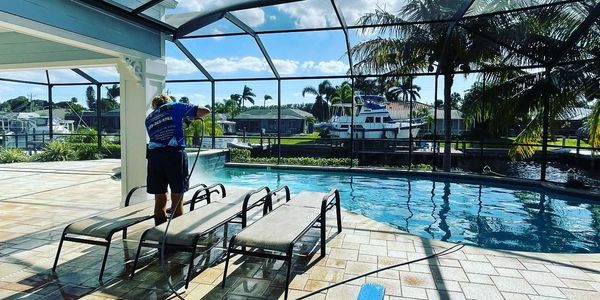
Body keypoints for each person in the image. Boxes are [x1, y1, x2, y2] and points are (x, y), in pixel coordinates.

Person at [145, 94, 210, 226]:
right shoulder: (174, 106)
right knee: (177, 196)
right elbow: (205, 111)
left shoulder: (149, 118)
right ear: (167, 101)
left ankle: (160, 236)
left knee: (159, 198)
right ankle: (175, 239)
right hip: (173, 155)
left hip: (154, 157)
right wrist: (191, 117)